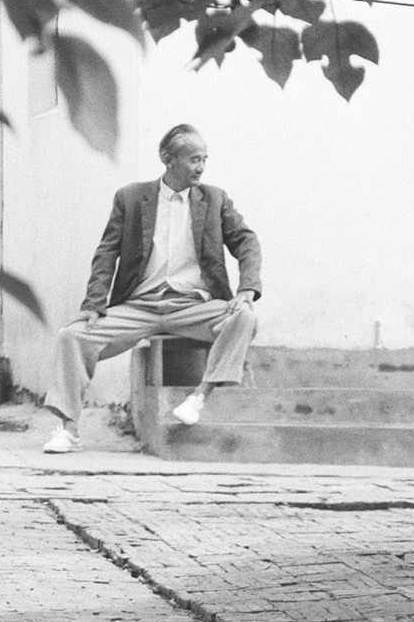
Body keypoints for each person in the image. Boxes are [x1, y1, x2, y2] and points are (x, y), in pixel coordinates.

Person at [42, 124, 261, 453]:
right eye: (194, 159)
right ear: (167, 159)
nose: (201, 167)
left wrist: (247, 289)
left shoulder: (215, 199)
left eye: (204, 159)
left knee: (244, 317)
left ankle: (199, 397)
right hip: (138, 307)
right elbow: (107, 253)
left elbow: (247, 242)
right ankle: (68, 429)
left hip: (193, 307)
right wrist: (93, 304)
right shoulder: (131, 198)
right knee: (71, 336)